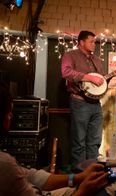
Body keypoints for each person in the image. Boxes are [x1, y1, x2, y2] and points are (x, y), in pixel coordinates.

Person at [0, 82, 109, 196]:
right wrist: (82, 192)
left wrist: (78, 178)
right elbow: (67, 72)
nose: (11, 116)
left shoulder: (7, 163)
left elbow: (33, 176)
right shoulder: (4, 164)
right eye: (9, 112)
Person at [61, 30, 106, 166]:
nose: (94, 45)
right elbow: (66, 72)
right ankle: (80, 177)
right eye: (91, 42)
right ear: (81, 42)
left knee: (95, 141)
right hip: (79, 102)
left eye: (95, 42)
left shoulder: (97, 60)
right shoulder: (70, 55)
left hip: (96, 104)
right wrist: (88, 77)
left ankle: (92, 173)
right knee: (79, 141)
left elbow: (101, 79)